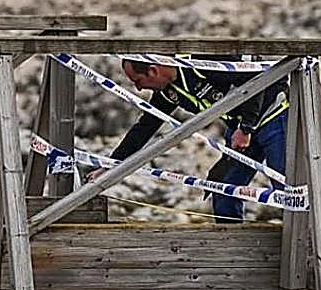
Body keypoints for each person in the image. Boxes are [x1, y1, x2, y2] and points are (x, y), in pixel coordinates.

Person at [95, 56, 289, 222]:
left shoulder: (201, 63)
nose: (138, 89)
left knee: (285, 187)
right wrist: (111, 164)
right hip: (240, 129)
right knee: (223, 189)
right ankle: (230, 250)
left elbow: (254, 78)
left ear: (153, 71)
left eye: (138, 81)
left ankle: (303, 243)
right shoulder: (168, 92)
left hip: (273, 114)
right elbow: (145, 127)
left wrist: (247, 127)